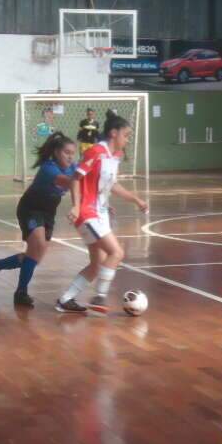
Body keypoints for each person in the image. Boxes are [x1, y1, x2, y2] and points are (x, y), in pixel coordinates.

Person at [56, 110, 148, 314]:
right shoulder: (95, 151)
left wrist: (135, 199)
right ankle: (100, 297)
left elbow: (110, 184)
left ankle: (65, 299)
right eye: (126, 134)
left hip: (100, 212)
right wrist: (76, 206)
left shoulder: (116, 155)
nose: (128, 139)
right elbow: (76, 180)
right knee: (116, 252)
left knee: (97, 264)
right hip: (88, 213)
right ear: (114, 133)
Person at [0, 132, 82, 308]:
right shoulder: (48, 168)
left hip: (48, 212)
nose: (70, 156)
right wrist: (77, 205)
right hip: (30, 208)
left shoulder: (72, 168)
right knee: (38, 246)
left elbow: (78, 181)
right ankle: (21, 293)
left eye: (73, 153)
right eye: (67, 152)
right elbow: (70, 182)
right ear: (57, 152)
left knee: (34, 256)